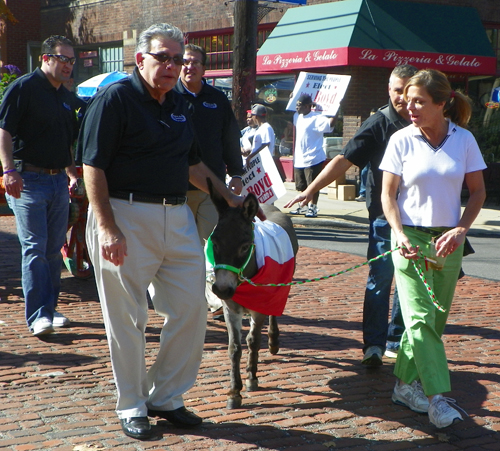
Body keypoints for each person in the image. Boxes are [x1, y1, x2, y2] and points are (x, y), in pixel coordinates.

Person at [77, 23, 252, 440]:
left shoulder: (178, 104)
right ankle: (133, 403)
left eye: (178, 58)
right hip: (124, 212)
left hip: (177, 216)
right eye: (164, 57)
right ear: (141, 59)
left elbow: (191, 164)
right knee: (127, 317)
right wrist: (107, 227)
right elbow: (92, 166)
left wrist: (224, 194)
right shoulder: (116, 98)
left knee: (192, 306)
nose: (173, 65)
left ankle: (166, 396)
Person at [284, 64, 418, 366]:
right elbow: (344, 160)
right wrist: (310, 190)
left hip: (418, 215)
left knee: (408, 279)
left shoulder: (425, 121)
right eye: (398, 91)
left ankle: (396, 338)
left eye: (409, 91)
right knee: (381, 276)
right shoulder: (378, 123)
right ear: (389, 90)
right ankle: (374, 344)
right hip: (384, 214)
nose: (403, 98)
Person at [380, 69, 486, 429]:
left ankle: (402, 386)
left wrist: (461, 228)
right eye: (407, 100)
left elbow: (479, 192)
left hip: (448, 242)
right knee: (420, 318)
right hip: (409, 240)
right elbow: (387, 195)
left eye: (419, 101)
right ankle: (437, 397)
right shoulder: (400, 140)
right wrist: (399, 233)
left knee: (430, 323)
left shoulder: (465, 140)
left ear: (441, 103)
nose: (409, 107)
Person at [0, 35, 80, 337]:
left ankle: (49, 308)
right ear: (45, 59)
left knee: (51, 251)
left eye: (71, 60)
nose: (68, 65)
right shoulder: (23, 88)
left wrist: (72, 174)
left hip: (58, 180)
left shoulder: (64, 95)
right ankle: (37, 316)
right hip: (28, 180)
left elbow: (64, 142)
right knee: (34, 248)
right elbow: (4, 132)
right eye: (63, 59)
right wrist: (9, 170)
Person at [174, 43, 244, 320]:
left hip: (212, 190)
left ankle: (215, 299)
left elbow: (230, 140)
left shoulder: (217, 99)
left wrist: (236, 173)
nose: (189, 67)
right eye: (185, 62)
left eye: (195, 62)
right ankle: (183, 299)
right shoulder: (169, 97)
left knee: (214, 246)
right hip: (176, 189)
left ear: (204, 68)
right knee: (180, 248)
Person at [290, 94, 335, 218]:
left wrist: (335, 111)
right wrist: (292, 98)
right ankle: (303, 206)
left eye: (299, 105)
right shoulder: (297, 117)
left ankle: (313, 207)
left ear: (307, 106)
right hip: (299, 158)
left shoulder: (317, 118)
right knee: (301, 185)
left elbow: (329, 125)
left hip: (313, 158)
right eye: (296, 105)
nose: (297, 107)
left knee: (313, 185)